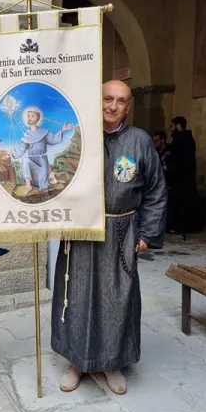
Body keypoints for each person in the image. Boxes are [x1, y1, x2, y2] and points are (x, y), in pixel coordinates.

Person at [51, 80, 167, 394]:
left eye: (120, 101)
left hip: (121, 231)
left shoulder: (140, 141)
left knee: (118, 298)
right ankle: (77, 361)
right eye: (107, 99)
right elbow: (58, 174)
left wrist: (146, 236)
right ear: (98, 100)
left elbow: (156, 192)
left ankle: (112, 362)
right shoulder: (80, 137)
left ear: (128, 106)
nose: (112, 106)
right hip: (81, 231)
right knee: (77, 296)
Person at [11, 107, 74, 195]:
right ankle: (29, 186)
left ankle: (49, 178)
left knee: (43, 185)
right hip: (32, 165)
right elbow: (21, 149)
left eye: (32, 116)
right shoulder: (27, 135)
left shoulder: (44, 132)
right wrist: (11, 153)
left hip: (41, 163)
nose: (30, 118)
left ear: (37, 118)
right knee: (25, 160)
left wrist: (62, 130)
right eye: (28, 116)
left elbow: (53, 140)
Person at [165, 116, 202, 233]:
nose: (170, 129)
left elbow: (179, 159)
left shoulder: (182, 139)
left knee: (180, 202)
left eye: (172, 126)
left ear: (178, 126)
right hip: (183, 178)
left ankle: (179, 226)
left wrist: (169, 157)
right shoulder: (184, 139)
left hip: (181, 179)